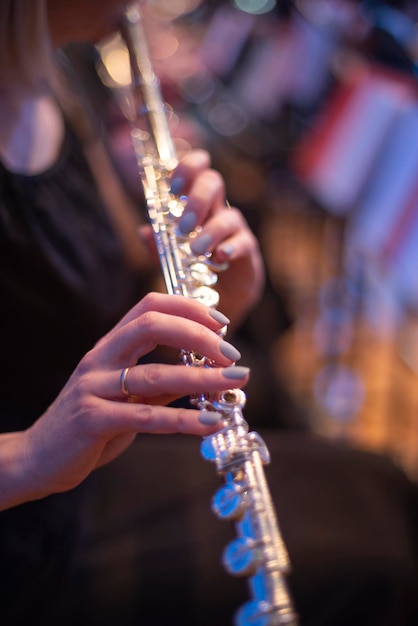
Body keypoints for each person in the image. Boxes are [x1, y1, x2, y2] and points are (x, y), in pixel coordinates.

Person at [2, 2, 418, 626]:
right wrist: (29, 456)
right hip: (25, 540)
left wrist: (214, 297)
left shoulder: (61, 69)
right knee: (378, 561)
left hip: (94, 467)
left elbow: (73, 323)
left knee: (384, 491)